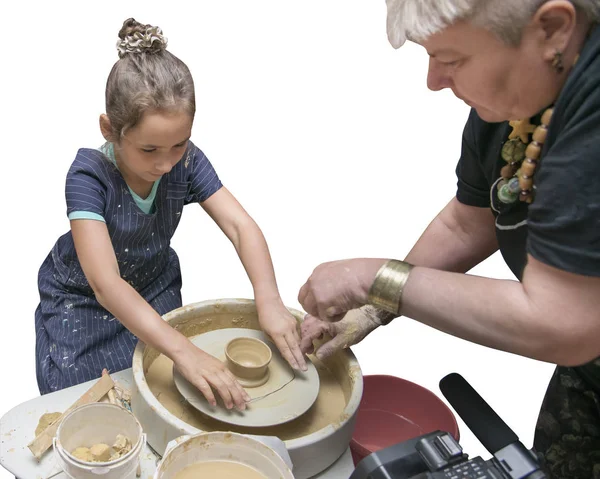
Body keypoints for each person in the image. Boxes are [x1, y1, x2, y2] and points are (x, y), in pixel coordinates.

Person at [297, 1, 600, 477]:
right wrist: (375, 307)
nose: (433, 81)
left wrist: (373, 278)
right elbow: (470, 222)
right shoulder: (521, 99)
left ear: (553, 29)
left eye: (453, 60)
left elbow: (564, 322)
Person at [34, 18, 307, 410]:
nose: (165, 163)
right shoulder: (88, 177)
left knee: (167, 388)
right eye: (149, 150)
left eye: (178, 145)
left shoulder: (187, 161)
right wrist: (185, 350)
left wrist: (269, 298)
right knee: (89, 400)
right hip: (85, 296)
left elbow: (240, 226)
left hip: (153, 280)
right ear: (110, 129)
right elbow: (106, 284)